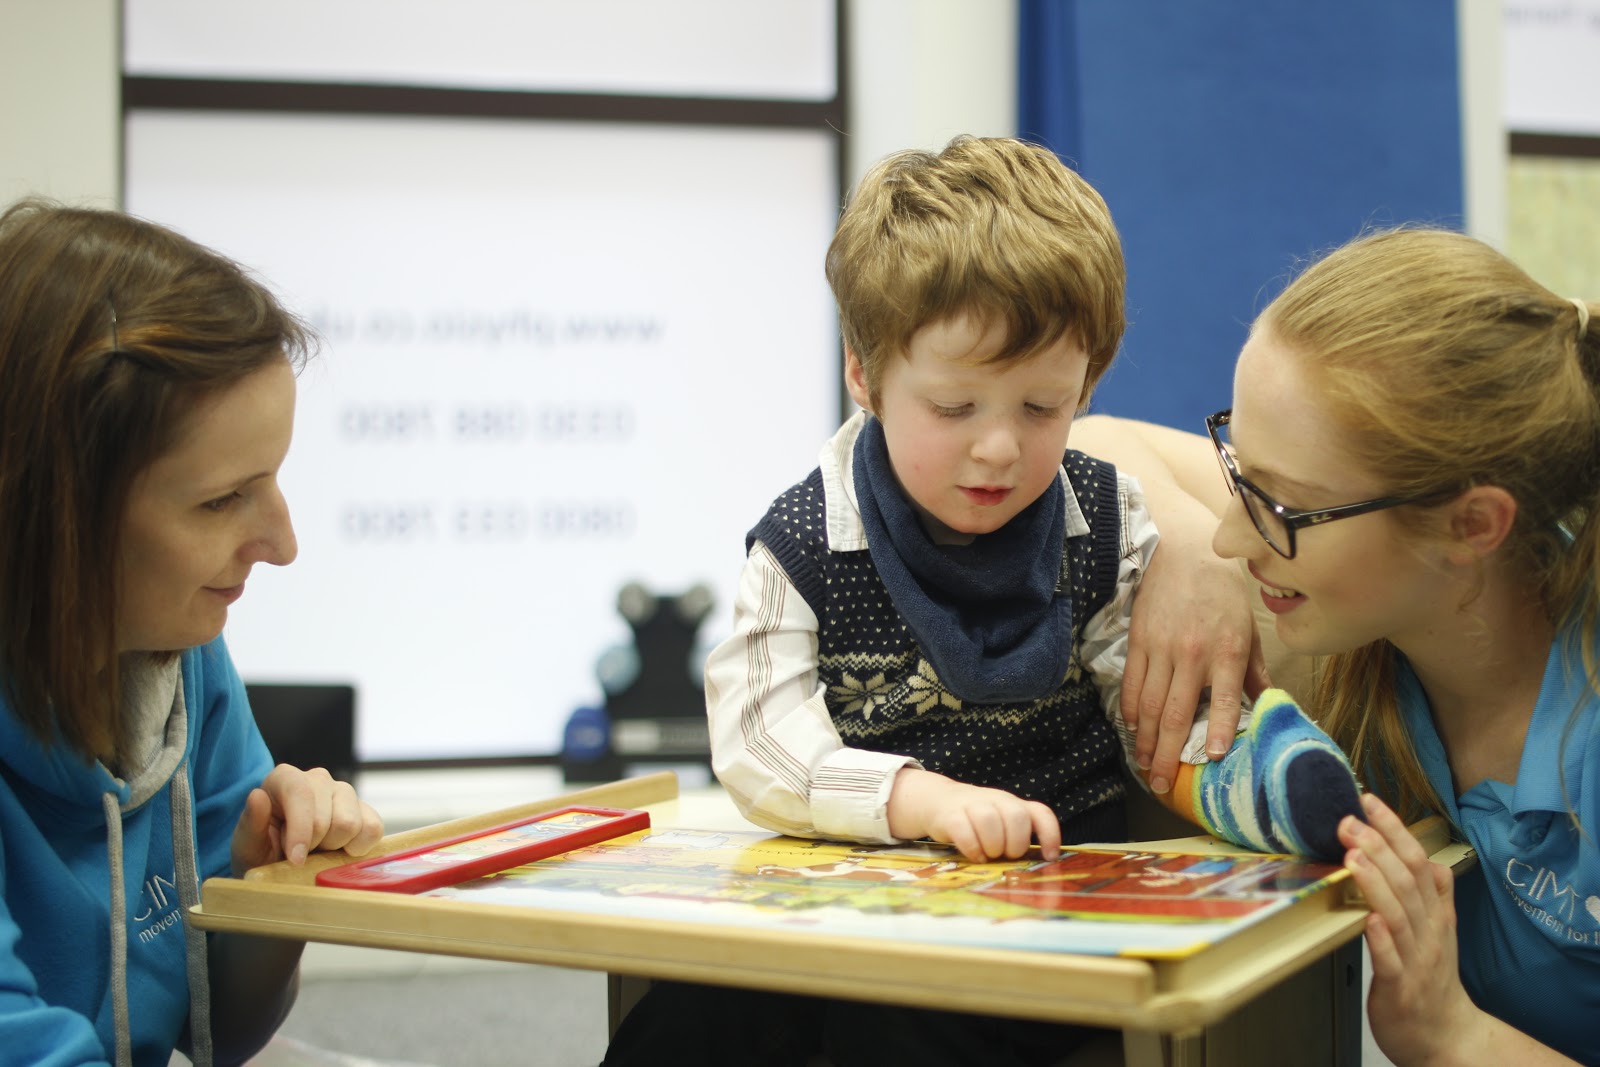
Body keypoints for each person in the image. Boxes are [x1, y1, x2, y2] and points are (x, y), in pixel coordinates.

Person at [605, 135, 1351, 1067]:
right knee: (689, 1017)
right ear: (864, 375)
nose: (999, 449)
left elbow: (1158, 713)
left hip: (1043, 904)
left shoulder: (1104, 521)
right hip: (849, 884)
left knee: (899, 1025)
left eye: (1043, 409)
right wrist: (918, 798)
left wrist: (1259, 779)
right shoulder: (802, 542)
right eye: (955, 409)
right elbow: (759, 741)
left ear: (1089, 382)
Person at [1077, 227, 1600, 1065]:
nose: (1229, 537)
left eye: (1278, 509)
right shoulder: (1372, 621)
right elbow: (1095, 441)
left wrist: (1453, 1037)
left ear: (1470, 526)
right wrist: (1173, 547)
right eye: (1238, 475)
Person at [0, 199, 385, 1067]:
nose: (282, 545)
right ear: (48, 514)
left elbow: (218, 1035)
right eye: (220, 500)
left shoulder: (179, 656)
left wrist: (268, 890)